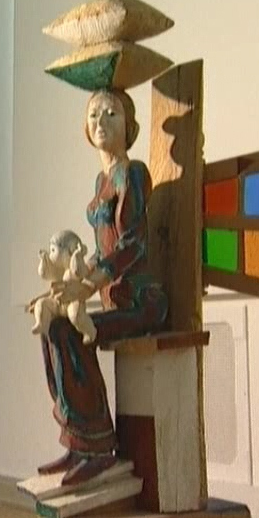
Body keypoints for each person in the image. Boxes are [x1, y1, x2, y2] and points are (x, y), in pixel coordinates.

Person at [35, 88, 168, 486]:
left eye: (112, 113)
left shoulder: (133, 173)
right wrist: (69, 286)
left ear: (130, 126)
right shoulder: (101, 180)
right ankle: (78, 441)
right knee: (52, 325)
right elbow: (99, 250)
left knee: (72, 332)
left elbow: (132, 245)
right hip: (115, 299)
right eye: (94, 114)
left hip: (141, 300)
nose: (101, 121)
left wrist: (89, 286)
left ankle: (98, 447)